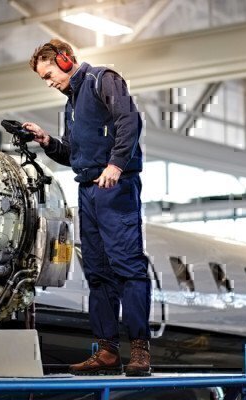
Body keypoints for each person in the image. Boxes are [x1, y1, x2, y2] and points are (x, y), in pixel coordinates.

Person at [23, 39, 151, 377]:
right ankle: (107, 351)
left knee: (127, 265)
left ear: (65, 61)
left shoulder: (102, 80)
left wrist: (117, 165)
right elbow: (72, 154)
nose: (49, 82)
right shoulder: (72, 104)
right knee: (97, 271)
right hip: (89, 190)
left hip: (116, 186)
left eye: (49, 74)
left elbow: (129, 122)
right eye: (44, 79)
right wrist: (47, 141)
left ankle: (139, 350)